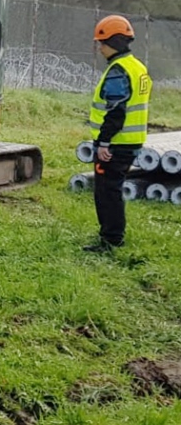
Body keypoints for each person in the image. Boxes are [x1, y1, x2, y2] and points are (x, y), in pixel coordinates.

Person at [84, 14, 152, 252]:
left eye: (101, 43)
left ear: (113, 41)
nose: (100, 48)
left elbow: (116, 111)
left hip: (115, 144)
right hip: (130, 141)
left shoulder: (118, 70)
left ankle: (111, 240)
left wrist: (103, 142)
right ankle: (112, 236)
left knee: (107, 192)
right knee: (111, 189)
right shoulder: (137, 67)